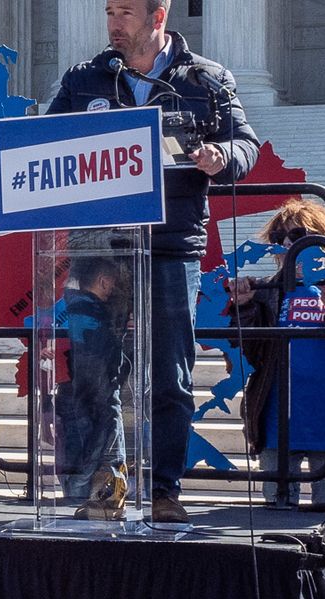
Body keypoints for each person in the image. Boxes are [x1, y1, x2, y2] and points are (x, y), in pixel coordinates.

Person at [45, 0, 260, 522]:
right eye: (109, 12)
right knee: (94, 373)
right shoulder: (85, 78)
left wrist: (221, 157)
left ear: (158, 17)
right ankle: (107, 483)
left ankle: (164, 489)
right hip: (99, 249)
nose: (114, 23)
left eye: (125, 12)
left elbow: (246, 144)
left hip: (169, 248)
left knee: (169, 377)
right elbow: (47, 142)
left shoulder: (207, 79)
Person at [232, 200, 325, 510]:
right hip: (276, 412)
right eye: (279, 239)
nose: (287, 245)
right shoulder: (268, 291)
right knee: (276, 505)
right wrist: (244, 306)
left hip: (320, 412)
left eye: (298, 235)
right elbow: (250, 354)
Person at [55, 256, 130, 519]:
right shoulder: (93, 313)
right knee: (97, 457)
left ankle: (82, 498)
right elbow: (99, 363)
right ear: (103, 282)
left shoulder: (68, 308)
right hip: (94, 395)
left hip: (71, 392)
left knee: (77, 457)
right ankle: (97, 502)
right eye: (115, 284)